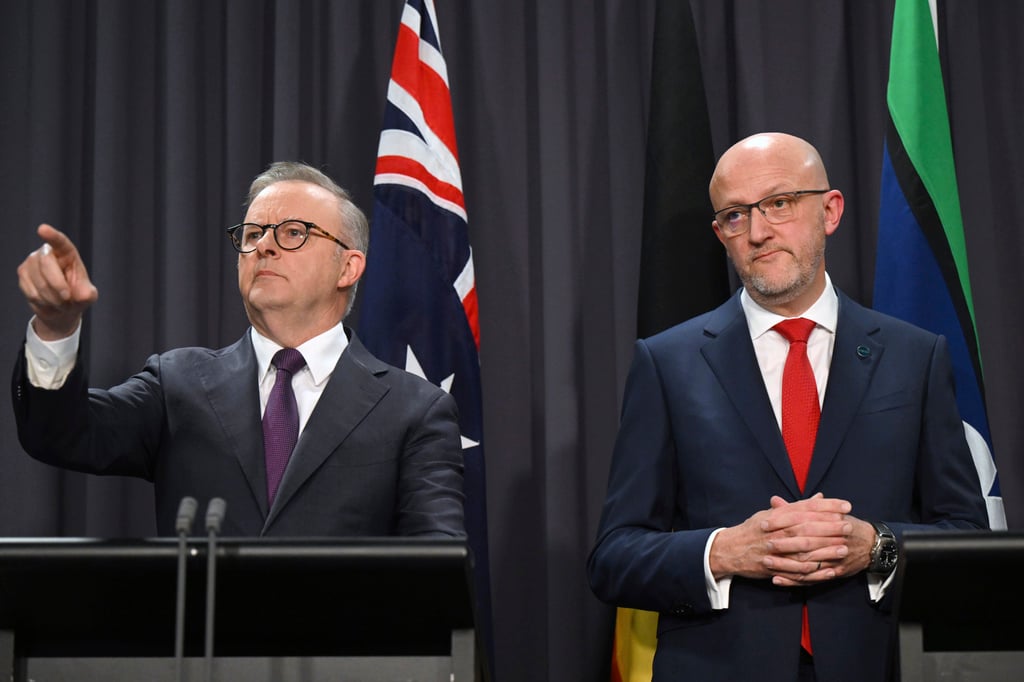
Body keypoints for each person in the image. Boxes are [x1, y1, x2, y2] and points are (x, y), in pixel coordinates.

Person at [587, 133, 988, 681]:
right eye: (734, 215)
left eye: (778, 203)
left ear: (830, 210)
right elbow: (614, 558)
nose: (757, 232)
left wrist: (877, 546)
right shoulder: (667, 363)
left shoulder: (915, 357)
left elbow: (967, 535)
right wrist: (725, 551)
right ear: (720, 234)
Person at [13, 161, 465, 538]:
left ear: (348, 267)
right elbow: (62, 434)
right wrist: (57, 326)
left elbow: (434, 566)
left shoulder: (413, 411)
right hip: (201, 645)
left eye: (293, 232)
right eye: (251, 235)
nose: (264, 246)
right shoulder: (178, 384)